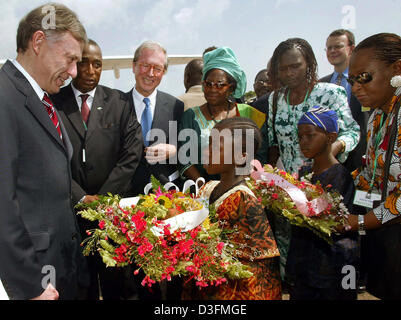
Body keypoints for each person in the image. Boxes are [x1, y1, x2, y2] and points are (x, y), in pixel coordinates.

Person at [0, 3, 88, 300]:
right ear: (38, 42)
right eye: (70, 59)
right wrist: (29, 285)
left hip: (62, 267)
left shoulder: (44, 102)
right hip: (35, 280)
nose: (74, 72)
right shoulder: (4, 97)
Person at [256, 37, 360, 287]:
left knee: (322, 254)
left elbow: (352, 132)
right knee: (290, 256)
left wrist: (329, 154)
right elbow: (273, 145)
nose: (289, 73)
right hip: (285, 193)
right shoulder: (274, 99)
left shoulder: (329, 93)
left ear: (309, 64)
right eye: (283, 68)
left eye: (296, 66)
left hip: (322, 188)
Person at [51, 39, 143, 300]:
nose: (91, 71)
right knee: (82, 285)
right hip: (71, 213)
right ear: (72, 64)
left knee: (118, 283)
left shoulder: (120, 103)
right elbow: (50, 157)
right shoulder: (53, 104)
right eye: (83, 63)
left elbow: (131, 154)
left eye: (97, 64)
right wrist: (80, 195)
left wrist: (103, 198)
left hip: (112, 212)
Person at [182, 117, 281, 300]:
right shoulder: (208, 187)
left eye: (216, 147)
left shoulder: (244, 201)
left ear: (242, 155)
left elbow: (257, 275)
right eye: (208, 144)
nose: (206, 152)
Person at [342, 33, 401, 300]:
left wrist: (361, 222)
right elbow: (371, 174)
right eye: (351, 80)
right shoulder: (377, 113)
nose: (355, 87)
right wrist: (333, 190)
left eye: (364, 77)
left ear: (397, 69)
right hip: (386, 234)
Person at [125, 40, 184, 299]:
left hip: (166, 201)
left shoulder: (176, 106)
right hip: (129, 201)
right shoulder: (116, 104)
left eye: (158, 68)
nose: (151, 73)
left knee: (171, 271)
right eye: (145, 66)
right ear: (134, 66)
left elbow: (189, 148)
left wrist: (175, 150)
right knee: (136, 274)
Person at [286, 107, 359, 300]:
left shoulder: (339, 175)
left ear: (330, 137)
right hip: (304, 259)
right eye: (300, 137)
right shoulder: (304, 173)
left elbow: (331, 220)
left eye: (310, 135)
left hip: (332, 263)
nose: (303, 142)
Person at [178, 47, 266, 183]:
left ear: (231, 88)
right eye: (208, 84)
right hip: (201, 192)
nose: (212, 89)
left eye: (220, 85)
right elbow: (184, 159)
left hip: (239, 187)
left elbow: (259, 155)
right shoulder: (190, 116)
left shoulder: (248, 115)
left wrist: (236, 185)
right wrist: (205, 187)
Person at [320, 29, 370, 173]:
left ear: (351, 49)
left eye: (338, 46)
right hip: (328, 162)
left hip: (360, 159)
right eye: (329, 48)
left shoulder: (366, 80)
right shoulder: (321, 85)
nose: (332, 51)